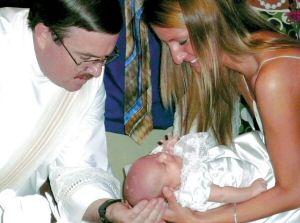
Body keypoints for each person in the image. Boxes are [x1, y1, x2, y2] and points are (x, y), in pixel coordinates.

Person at [0, 1, 166, 223]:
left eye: (105, 58)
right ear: (43, 35)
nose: (97, 72)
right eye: (86, 58)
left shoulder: (87, 81)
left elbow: (78, 167)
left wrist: (110, 210)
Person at [142, 0, 300, 222]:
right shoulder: (244, 68)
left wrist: (199, 219)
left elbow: (294, 192)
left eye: (182, 41)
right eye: (168, 46)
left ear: (212, 22)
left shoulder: (272, 75)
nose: (176, 59)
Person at [124, 132, 269, 211]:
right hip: (243, 183)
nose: (163, 155)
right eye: (163, 165)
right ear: (171, 190)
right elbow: (224, 194)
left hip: (236, 158)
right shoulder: (192, 189)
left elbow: (183, 151)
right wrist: (251, 191)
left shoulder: (177, 170)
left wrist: (171, 145)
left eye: (154, 156)